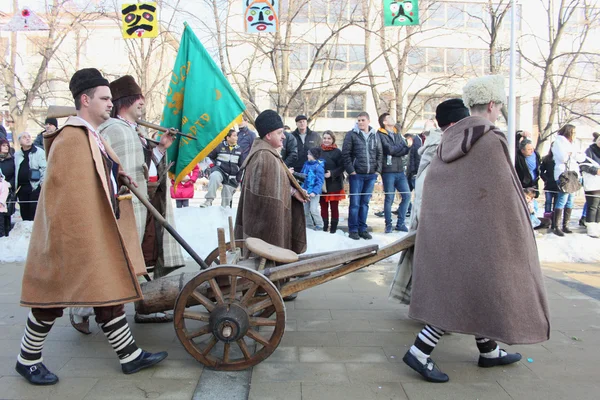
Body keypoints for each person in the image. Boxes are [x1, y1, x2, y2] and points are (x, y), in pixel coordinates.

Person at [15, 68, 167, 386]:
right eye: (104, 98)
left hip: (94, 233)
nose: (111, 103)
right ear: (85, 100)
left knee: (108, 294)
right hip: (73, 238)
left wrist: (118, 175)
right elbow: (65, 199)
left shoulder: (90, 134)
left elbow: (98, 177)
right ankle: (27, 360)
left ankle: (129, 356)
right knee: (51, 300)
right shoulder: (72, 138)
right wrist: (83, 238)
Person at [403, 75, 549, 383]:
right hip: (480, 236)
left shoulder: (449, 139)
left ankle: (488, 350)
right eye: (499, 107)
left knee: (474, 291)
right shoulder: (490, 140)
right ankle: (419, 351)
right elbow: (505, 196)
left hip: (449, 232)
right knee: (462, 295)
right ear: (493, 105)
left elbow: (441, 187)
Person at [96, 75, 185, 327]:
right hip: (127, 207)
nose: (142, 105)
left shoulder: (135, 131)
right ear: (126, 101)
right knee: (119, 261)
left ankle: (144, 306)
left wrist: (160, 148)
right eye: (139, 100)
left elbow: (143, 167)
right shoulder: (113, 129)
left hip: (146, 202)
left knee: (145, 257)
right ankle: (83, 309)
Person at [389, 98, 469, 305]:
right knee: (436, 267)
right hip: (435, 222)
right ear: (453, 125)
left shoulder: (443, 145)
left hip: (435, 221)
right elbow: (427, 190)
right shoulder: (441, 148)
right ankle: (434, 313)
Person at [234, 109, 308, 256]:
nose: (284, 137)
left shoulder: (268, 153)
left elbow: (275, 186)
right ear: (268, 135)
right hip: (266, 230)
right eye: (280, 133)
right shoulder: (264, 157)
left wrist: (293, 192)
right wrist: (291, 190)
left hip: (267, 228)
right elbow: (266, 197)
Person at [342, 112, 382, 240]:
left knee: (365, 203)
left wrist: (377, 171)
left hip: (371, 175)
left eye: (363, 120)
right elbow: (346, 154)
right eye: (358, 120)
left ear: (368, 121)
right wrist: (351, 170)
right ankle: (353, 229)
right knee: (355, 203)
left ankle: (362, 229)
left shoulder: (375, 135)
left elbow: (380, 153)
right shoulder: (351, 134)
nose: (360, 122)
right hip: (357, 175)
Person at [377, 113, 411, 233]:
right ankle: (388, 225)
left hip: (400, 171)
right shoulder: (380, 134)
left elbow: (406, 148)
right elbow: (389, 149)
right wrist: (399, 148)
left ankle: (400, 223)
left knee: (407, 196)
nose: (393, 119)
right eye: (389, 118)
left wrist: (398, 148)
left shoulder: (397, 133)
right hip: (388, 171)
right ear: (384, 122)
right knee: (389, 198)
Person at [550, 124, 585, 237]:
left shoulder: (573, 144)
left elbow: (581, 157)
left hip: (574, 173)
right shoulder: (559, 142)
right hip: (563, 173)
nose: (574, 135)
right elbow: (563, 157)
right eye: (573, 132)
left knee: (571, 199)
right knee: (562, 198)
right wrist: (572, 154)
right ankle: (557, 226)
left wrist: (572, 154)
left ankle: (566, 225)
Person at [201, 129, 244, 208]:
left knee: (226, 203)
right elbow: (208, 157)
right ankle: (208, 201)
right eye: (234, 135)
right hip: (220, 171)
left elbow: (242, 166)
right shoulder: (219, 146)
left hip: (231, 176)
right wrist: (212, 166)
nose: (236, 137)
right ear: (228, 137)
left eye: (236, 135)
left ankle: (225, 210)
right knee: (214, 176)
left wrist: (238, 180)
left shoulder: (240, 149)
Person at [14, 132, 46, 221]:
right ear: (20, 141)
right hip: (22, 188)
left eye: (29, 137)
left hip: (35, 187)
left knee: (34, 213)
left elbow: (44, 169)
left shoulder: (39, 152)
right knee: (24, 213)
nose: (28, 139)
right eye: (24, 137)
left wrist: (41, 184)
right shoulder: (17, 155)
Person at [319, 130, 345, 233]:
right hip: (322, 183)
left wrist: (332, 173)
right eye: (325, 138)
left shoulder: (337, 152)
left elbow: (342, 167)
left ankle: (333, 229)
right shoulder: (318, 150)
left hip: (335, 183)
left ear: (333, 139)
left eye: (329, 138)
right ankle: (324, 227)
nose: (326, 140)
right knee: (323, 207)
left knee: (334, 207)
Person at [579, 135, 600, 237]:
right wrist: (596, 171)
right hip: (592, 183)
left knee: (599, 206)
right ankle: (591, 226)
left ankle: (597, 225)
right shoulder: (589, 151)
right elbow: (583, 166)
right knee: (593, 205)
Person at [300, 147, 325, 231]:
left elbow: (320, 181)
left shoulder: (319, 167)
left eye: (309, 154)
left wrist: (315, 191)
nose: (307, 155)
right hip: (305, 191)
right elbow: (302, 176)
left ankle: (320, 225)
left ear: (314, 156)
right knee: (305, 210)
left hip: (314, 193)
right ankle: (309, 226)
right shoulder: (306, 164)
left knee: (313, 209)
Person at [0, 138, 16, 236]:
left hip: (9, 189)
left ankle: (7, 233)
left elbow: (15, 173)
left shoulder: (11, 159)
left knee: (7, 214)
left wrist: (10, 183)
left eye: (7, 145)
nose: (6, 147)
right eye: (3, 145)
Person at [540, 149, 559, 221]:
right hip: (548, 184)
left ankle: (555, 220)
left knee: (556, 204)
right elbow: (541, 171)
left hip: (558, 185)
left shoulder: (560, 159)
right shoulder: (546, 159)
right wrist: (545, 179)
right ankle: (547, 220)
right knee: (548, 202)